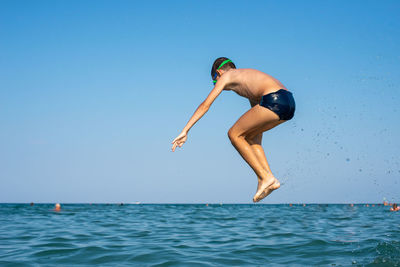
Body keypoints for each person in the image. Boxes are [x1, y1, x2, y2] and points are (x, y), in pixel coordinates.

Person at [171, 57, 295, 202]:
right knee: (250, 137)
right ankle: (268, 179)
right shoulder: (249, 80)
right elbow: (256, 131)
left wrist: (185, 130)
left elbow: (206, 104)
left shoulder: (227, 75)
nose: (217, 86)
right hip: (288, 103)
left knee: (233, 134)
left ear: (219, 73)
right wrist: (251, 138)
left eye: (214, 82)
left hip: (274, 99)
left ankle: (266, 177)